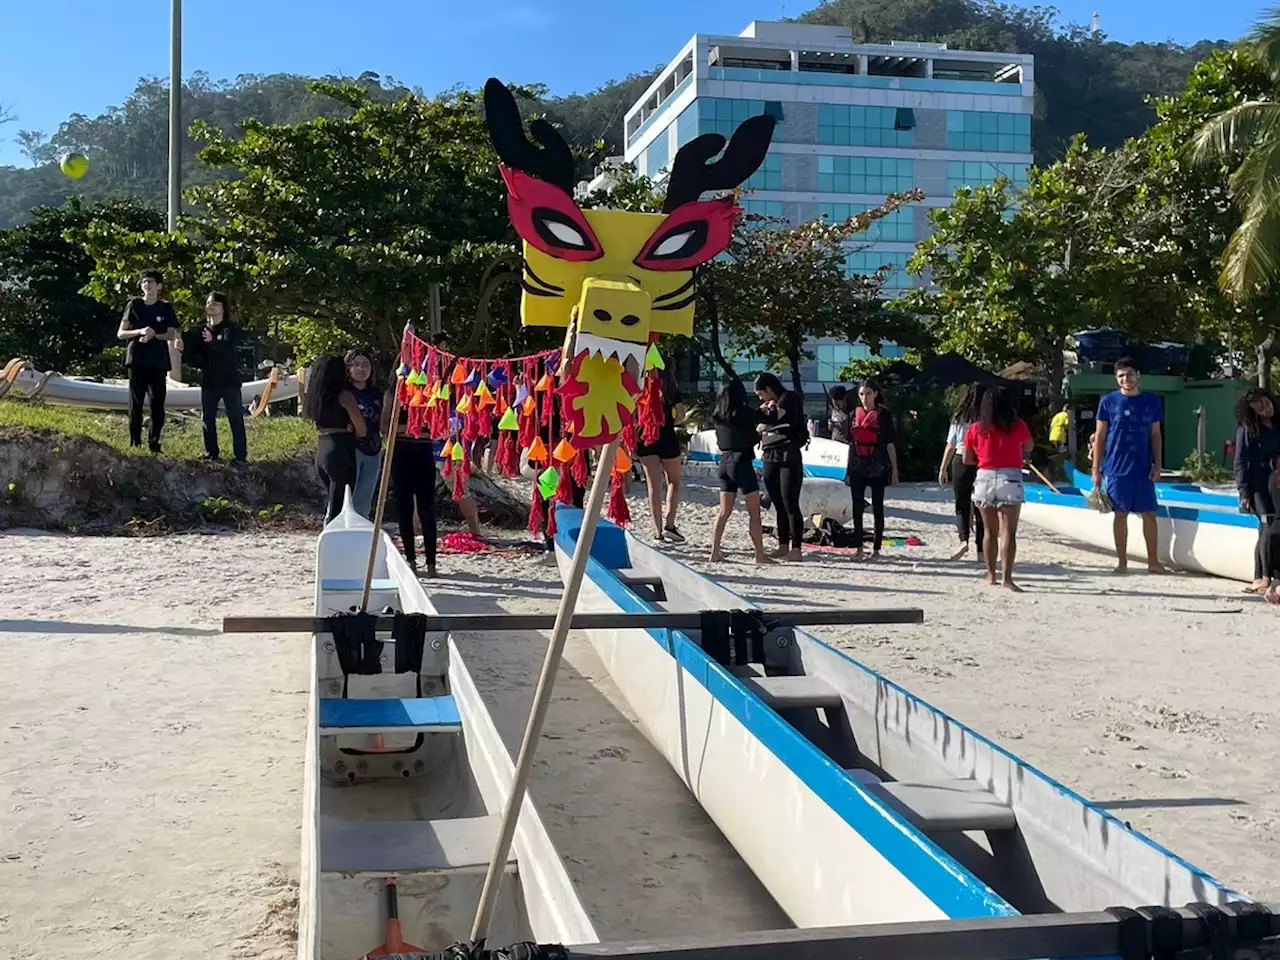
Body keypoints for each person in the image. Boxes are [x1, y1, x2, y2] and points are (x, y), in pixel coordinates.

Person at [1091, 357, 1167, 575]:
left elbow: (1155, 435)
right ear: (1116, 379)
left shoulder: (1151, 401)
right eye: (1121, 376)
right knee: (1120, 514)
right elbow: (1100, 436)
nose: (1126, 379)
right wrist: (1096, 470)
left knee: (1149, 513)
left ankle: (1153, 562)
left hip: (1143, 467)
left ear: (1138, 375)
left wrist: (1158, 464)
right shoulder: (1108, 401)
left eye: (1130, 374)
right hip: (1116, 467)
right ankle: (1122, 562)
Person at [964, 387, 1033, 591]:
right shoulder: (1017, 425)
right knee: (1008, 533)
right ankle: (1008, 578)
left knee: (989, 531)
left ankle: (991, 575)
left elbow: (967, 459)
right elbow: (1029, 446)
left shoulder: (976, 428)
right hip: (1010, 477)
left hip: (984, 476)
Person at [709, 378, 771, 565]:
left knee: (723, 512)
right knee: (754, 513)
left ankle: (714, 552)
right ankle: (760, 555)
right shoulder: (744, 412)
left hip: (724, 463)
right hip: (741, 463)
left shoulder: (718, 415)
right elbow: (765, 422)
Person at [117, 268, 180, 453]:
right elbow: (121, 333)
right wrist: (140, 331)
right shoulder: (134, 304)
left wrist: (154, 335)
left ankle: (154, 444)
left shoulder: (165, 307)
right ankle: (134, 442)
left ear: (159, 286)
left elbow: (171, 333)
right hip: (137, 359)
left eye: (151, 282)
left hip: (158, 361)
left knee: (157, 404)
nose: (147, 285)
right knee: (135, 403)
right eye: (144, 282)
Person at [179, 292, 247, 463]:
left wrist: (213, 342)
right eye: (209, 302)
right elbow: (196, 359)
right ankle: (211, 453)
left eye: (216, 303)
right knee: (207, 419)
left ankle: (240, 457)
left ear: (224, 308)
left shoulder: (230, 329)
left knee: (235, 418)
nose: (211, 305)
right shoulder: (201, 330)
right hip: (209, 382)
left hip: (230, 381)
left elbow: (229, 352)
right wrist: (183, 350)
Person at [383, 384, 438, 577]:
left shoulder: (432, 389)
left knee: (427, 509)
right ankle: (411, 560)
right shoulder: (395, 391)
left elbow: (437, 428)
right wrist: (412, 427)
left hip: (424, 452)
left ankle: (431, 563)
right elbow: (385, 427)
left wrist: (411, 428)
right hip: (401, 453)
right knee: (404, 508)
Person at [304, 354, 366, 522]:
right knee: (340, 505)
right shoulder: (344, 395)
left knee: (333, 503)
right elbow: (362, 430)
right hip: (341, 449)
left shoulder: (316, 398)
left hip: (322, 447)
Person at [845, 377, 899, 560]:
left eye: (868, 393)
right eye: (861, 394)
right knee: (857, 507)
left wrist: (895, 471)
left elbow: (890, 443)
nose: (864, 398)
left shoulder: (884, 415)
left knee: (878, 507)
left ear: (876, 394)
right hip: (857, 464)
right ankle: (859, 548)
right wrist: (846, 469)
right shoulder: (853, 414)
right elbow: (849, 443)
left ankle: (876, 549)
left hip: (878, 464)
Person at [1233, 388, 1280, 598]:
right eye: (1260, 408)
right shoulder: (1247, 430)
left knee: (1271, 527)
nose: (1266, 409)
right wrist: (1243, 491)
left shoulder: (1278, 425)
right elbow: (1240, 462)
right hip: (1257, 484)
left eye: (1267, 403)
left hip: (1277, 480)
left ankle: (1266, 575)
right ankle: (1262, 576)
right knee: (1267, 525)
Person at [755, 372, 807, 562]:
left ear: (769, 390)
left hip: (788, 454)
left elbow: (773, 417)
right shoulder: (771, 404)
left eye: (761, 394)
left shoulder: (789, 398)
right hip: (770, 454)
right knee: (777, 502)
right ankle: (783, 545)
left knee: (790, 502)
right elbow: (759, 423)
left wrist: (765, 418)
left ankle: (797, 548)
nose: (760, 398)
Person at [636, 367, 687, 543]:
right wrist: (670, 421)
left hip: (645, 436)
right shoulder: (671, 389)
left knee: (653, 485)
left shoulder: (640, 386)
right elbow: (681, 415)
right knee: (673, 481)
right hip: (667, 437)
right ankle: (670, 525)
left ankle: (657, 530)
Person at [938, 383, 986, 561]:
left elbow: (950, 444)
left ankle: (963, 541)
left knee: (961, 503)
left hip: (960, 460)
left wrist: (943, 467)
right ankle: (981, 551)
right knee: (982, 505)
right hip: (981, 461)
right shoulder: (987, 418)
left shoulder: (959, 417)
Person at [345, 349, 383, 518]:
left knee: (364, 499)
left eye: (366, 365)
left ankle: (362, 531)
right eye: (357, 364)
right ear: (349, 368)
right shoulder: (344, 393)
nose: (361, 369)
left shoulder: (377, 393)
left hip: (374, 449)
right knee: (346, 497)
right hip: (350, 449)